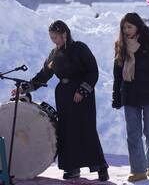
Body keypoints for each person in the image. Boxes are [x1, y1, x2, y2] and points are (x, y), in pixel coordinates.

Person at [16, 20, 109, 181]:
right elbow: (43, 75)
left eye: (56, 37)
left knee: (86, 129)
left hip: (82, 96)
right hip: (64, 96)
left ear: (65, 34)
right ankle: (72, 168)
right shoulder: (54, 54)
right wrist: (26, 87)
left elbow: (92, 71)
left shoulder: (80, 48)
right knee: (67, 130)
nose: (54, 41)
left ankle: (100, 167)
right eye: (51, 38)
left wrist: (82, 90)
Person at [112, 13, 149, 182]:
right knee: (133, 133)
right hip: (129, 94)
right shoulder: (120, 45)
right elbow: (117, 72)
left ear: (138, 26)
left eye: (129, 27)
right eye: (124, 27)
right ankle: (138, 170)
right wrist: (116, 95)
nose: (126, 30)